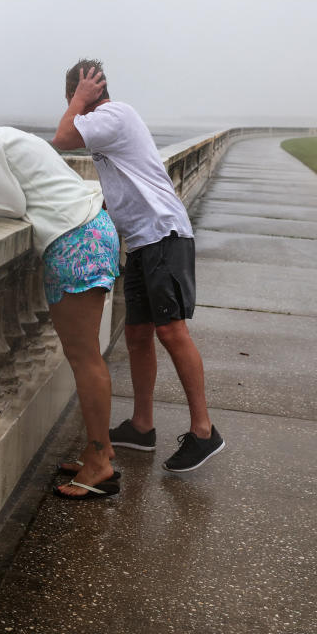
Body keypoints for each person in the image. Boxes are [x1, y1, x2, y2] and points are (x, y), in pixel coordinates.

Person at [0, 98, 120, 499]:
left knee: (86, 359)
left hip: (75, 242)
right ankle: (97, 452)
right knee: (87, 357)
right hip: (90, 230)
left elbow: (10, 206)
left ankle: (101, 464)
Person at [51, 59, 225, 472]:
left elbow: (61, 138)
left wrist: (78, 100)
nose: (71, 105)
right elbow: (121, 183)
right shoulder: (108, 126)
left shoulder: (112, 114)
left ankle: (204, 431)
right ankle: (143, 426)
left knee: (171, 329)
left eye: (72, 96)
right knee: (137, 335)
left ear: (87, 91)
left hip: (163, 232)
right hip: (144, 240)